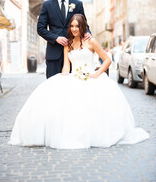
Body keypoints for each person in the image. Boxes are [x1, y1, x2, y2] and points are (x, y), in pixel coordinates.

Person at [9, 14, 149, 149]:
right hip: (74, 77)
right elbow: (66, 65)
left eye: (77, 26)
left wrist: (97, 74)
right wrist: (63, 77)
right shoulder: (68, 44)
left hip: (90, 78)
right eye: (72, 26)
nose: (74, 29)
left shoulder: (91, 42)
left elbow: (107, 60)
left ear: (83, 27)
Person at [37, 0, 91, 78]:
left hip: (74, 54)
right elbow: (40, 28)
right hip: (54, 54)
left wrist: (88, 32)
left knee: (73, 87)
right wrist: (56, 38)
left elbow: (84, 24)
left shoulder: (77, 4)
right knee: (53, 87)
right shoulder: (47, 5)